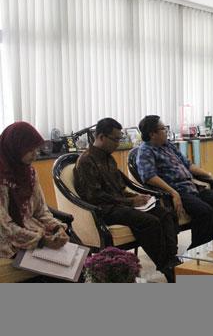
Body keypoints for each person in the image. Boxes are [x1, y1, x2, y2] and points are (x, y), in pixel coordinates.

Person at [73, 118, 179, 282]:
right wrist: (130, 202)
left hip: (120, 204)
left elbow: (120, 188)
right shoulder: (87, 161)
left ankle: (172, 259)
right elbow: (95, 196)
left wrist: (135, 197)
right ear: (101, 137)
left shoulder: (108, 158)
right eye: (115, 139)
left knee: (165, 214)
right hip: (104, 209)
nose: (118, 144)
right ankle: (166, 266)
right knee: (150, 222)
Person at [136, 115, 213, 249]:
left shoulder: (168, 146)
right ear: (152, 134)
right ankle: (196, 250)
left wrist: (209, 176)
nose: (166, 131)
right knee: (205, 212)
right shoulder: (145, 151)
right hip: (177, 191)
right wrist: (173, 193)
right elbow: (149, 176)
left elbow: (188, 165)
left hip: (192, 187)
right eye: (163, 129)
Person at [0, 122, 70, 275]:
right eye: (30, 150)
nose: (35, 154)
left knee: (78, 259)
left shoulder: (29, 173)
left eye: (36, 149)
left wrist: (57, 228)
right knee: (58, 273)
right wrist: (41, 241)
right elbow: (3, 227)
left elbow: (40, 210)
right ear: (15, 148)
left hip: (33, 232)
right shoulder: (2, 177)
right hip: (8, 241)